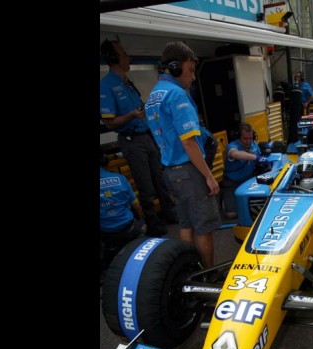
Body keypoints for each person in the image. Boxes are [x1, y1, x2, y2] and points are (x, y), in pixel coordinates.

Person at [145, 41, 221, 267]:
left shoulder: (153, 96)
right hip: (189, 170)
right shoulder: (177, 95)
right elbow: (188, 142)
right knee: (203, 227)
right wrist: (208, 175)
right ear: (176, 67)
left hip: (170, 171)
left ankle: (189, 271)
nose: (193, 77)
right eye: (190, 70)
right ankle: (207, 276)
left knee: (186, 224)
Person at [100, 39, 175, 237]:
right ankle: (154, 225)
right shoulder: (107, 85)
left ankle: (170, 214)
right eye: (123, 53)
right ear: (114, 58)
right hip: (132, 141)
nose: (128, 57)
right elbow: (109, 122)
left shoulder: (127, 81)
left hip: (147, 137)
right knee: (146, 186)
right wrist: (132, 115)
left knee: (161, 179)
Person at [99, 151, 144, 271]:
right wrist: (143, 223)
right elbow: (136, 206)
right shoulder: (120, 178)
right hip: (128, 228)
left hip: (106, 234)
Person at [221, 122, 270, 219]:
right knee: (232, 215)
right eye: (245, 138)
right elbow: (234, 154)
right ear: (239, 137)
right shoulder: (233, 146)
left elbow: (261, 157)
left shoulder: (254, 145)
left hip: (248, 181)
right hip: (232, 182)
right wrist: (255, 157)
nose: (248, 141)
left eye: (250, 138)